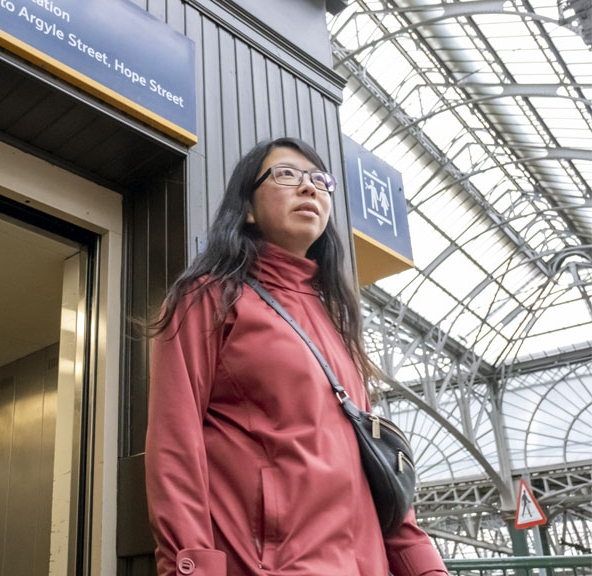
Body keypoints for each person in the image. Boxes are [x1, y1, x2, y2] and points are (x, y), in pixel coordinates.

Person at [145, 137, 447, 576]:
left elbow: (374, 463)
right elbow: (175, 446)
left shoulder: (338, 322)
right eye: (286, 175)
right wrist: (192, 566)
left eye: (320, 180)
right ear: (246, 208)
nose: (309, 188)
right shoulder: (208, 299)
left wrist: (423, 567)